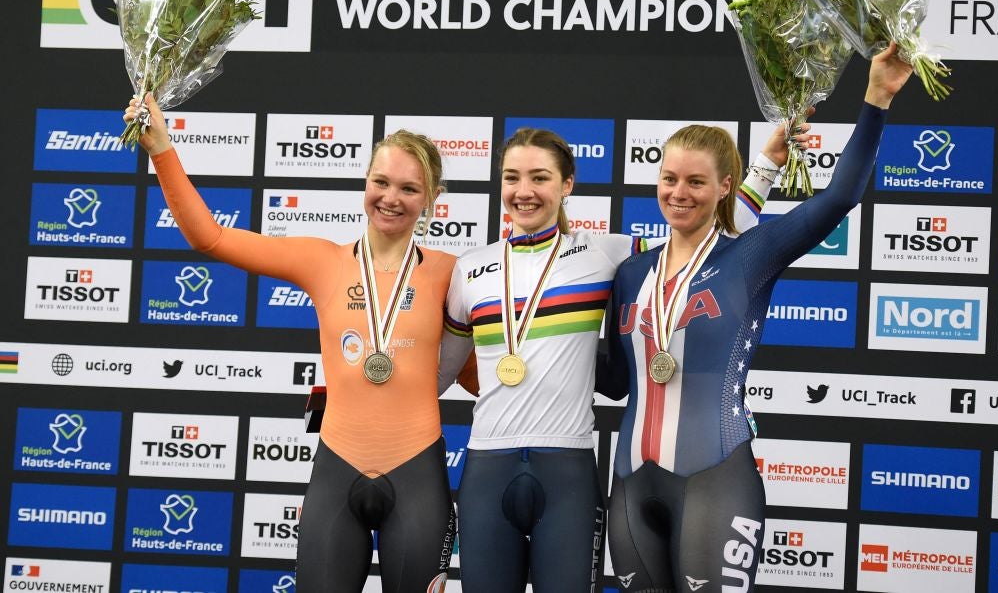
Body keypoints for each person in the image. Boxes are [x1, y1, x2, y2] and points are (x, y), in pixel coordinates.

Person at [437, 120, 802, 592]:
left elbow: (708, 242)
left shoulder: (607, 253)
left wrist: (766, 168)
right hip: (487, 463)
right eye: (512, 177)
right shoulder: (469, 269)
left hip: (567, 466)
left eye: (540, 177)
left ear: (566, 184)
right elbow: (440, 373)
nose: (524, 191)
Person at [603, 42, 912, 592]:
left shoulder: (751, 255)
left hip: (715, 479)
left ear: (724, 187)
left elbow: (839, 197)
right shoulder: (631, 273)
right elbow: (613, 379)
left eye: (696, 182)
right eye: (669, 178)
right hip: (629, 484)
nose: (679, 193)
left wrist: (876, 99)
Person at [124, 94, 457, 593]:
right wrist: (161, 149)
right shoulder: (321, 260)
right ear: (364, 182)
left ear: (432, 199)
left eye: (409, 189)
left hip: (419, 476)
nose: (391, 197)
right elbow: (209, 238)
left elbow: (487, 365)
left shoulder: (455, 274)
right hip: (336, 469)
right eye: (380, 182)